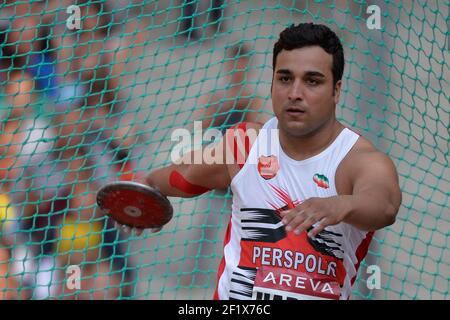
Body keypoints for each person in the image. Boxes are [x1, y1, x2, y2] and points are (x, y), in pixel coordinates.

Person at [113, 22, 402, 300]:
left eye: (312, 81)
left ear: (336, 90)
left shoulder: (361, 160)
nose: (295, 93)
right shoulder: (245, 144)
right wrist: (143, 191)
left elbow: (384, 206)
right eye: (285, 78)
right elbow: (180, 177)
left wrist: (341, 203)